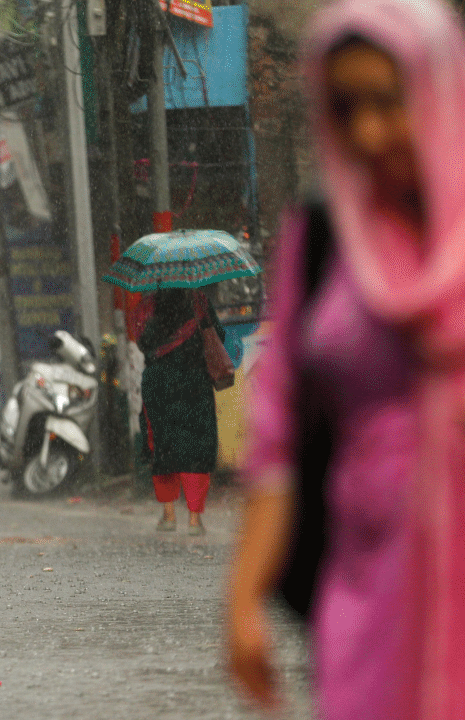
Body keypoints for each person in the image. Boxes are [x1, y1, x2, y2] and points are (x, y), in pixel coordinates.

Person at [227, 2, 465, 717]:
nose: (368, 131)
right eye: (345, 106)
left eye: (389, 101)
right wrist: (242, 601)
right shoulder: (323, 239)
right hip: (367, 598)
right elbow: (279, 436)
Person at [138, 287, 224, 536]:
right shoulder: (198, 301)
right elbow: (217, 335)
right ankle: (195, 521)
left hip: (160, 385)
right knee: (197, 448)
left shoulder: (149, 305)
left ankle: (168, 516)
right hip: (194, 383)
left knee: (164, 448)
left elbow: (143, 342)